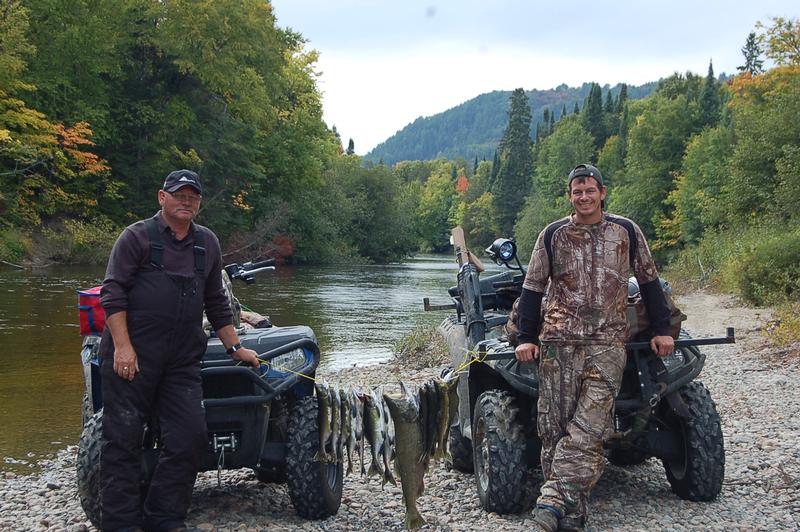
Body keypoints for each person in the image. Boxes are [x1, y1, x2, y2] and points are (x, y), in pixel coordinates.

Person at [514, 163, 675, 532]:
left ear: (602, 192)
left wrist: (663, 330)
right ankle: (571, 516)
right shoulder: (553, 234)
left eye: (590, 190)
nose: (584, 197)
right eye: (577, 191)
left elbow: (650, 282)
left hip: (607, 343)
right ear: (570, 196)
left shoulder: (627, 232)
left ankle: (550, 502)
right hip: (558, 342)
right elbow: (532, 288)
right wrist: (525, 337)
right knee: (555, 431)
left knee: (589, 428)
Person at [99, 169, 260, 532]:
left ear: (199, 203)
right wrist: (123, 348)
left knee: (189, 438)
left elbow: (217, 302)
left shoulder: (207, 243)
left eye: (193, 196)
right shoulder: (136, 237)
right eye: (179, 194)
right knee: (121, 442)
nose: (186, 201)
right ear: (162, 197)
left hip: (182, 361)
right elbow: (112, 294)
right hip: (132, 358)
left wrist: (235, 347)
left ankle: (164, 520)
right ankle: (121, 525)